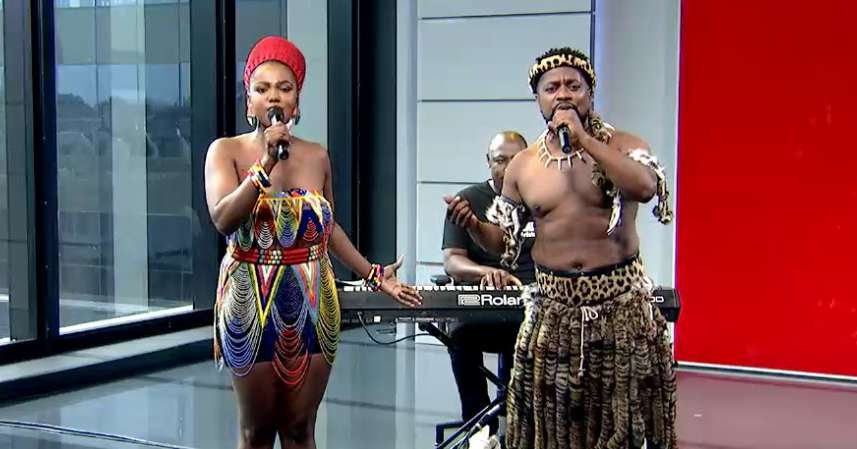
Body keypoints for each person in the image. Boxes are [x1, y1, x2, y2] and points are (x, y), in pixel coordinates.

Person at [444, 47, 677, 449]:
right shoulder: (524, 166)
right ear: (538, 100)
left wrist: (584, 139)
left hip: (619, 310)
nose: (563, 94)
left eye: (574, 85)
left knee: (622, 427)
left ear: (591, 93)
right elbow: (504, 242)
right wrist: (475, 226)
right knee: (554, 432)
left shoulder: (624, 145)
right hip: (555, 315)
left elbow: (644, 187)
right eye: (552, 88)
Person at [204, 36, 421, 449]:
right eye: (262, 88)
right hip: (249, 298)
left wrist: (374, 275)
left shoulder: (318, 156)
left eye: (284, 88)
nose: (274, 96)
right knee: (256, 432)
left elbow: (328, 227)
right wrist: (266, 164)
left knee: (300, 429)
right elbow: (223, 218)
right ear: (249, 101)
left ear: (297, 102)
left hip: (313, 299)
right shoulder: (225, 151)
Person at [441, 131, 536, 448]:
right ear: (488, 162)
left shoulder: (542, 200)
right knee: (460, 335)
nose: (507, 168)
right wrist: (486, 272)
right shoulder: (467, 201)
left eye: (515, 160)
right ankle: (481, 429)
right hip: (480, 306)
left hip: (533, 307)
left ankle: (528, 428)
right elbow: (452, 261)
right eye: (500, 160)